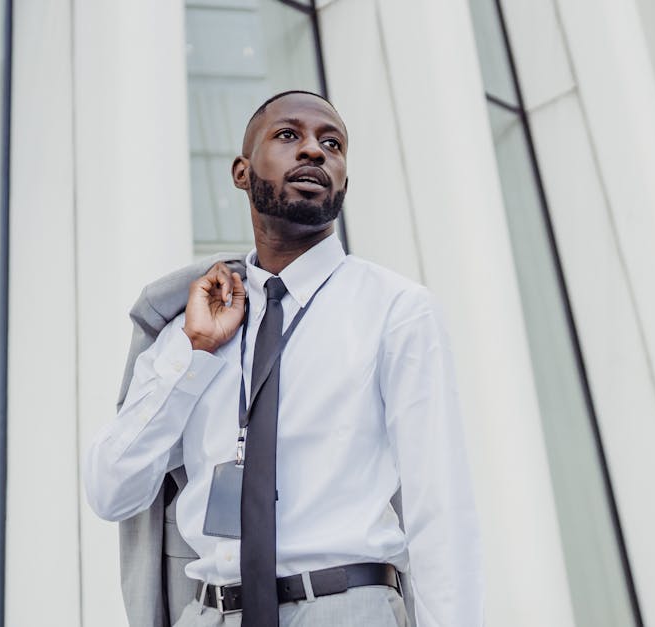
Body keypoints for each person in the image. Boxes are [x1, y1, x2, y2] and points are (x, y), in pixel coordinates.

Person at [84, 90, 483, 627]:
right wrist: (194, 353)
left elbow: (441, 512)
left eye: (332, 144)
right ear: (241, 172)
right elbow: (112, 491)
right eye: (289, 135)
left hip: (346, 608)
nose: (315, 152)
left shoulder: (397, 311)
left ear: (343, 181)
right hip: (210, 612)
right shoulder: (190, 326)